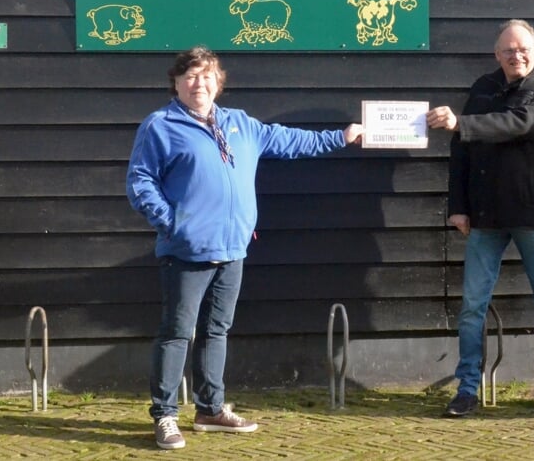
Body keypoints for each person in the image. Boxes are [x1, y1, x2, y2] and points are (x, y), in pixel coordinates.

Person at [126, 46, 364, 449]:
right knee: (177, 333)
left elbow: (288, 141)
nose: (198, 83)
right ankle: (165, 415)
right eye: (190, 76)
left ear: (219, 83)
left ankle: (210, 408)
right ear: (176, 83)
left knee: (217, 330)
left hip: (234, 249)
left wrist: (340, 137)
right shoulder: (160, 125)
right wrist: (174, 224)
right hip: (185, 251)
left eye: (206, 75)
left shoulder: (240, 124)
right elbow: (140, 182)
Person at [426, 19, 534, 417]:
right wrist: (458, 205)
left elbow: (520, 124)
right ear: (497, 54)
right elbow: (462, 152)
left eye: (522, 48)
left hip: (533, 212)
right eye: (508, 49)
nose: (516, 55)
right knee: (473, 305)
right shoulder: (483, 89)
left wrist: (463, 122)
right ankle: (467, 388)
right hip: (486, 216)